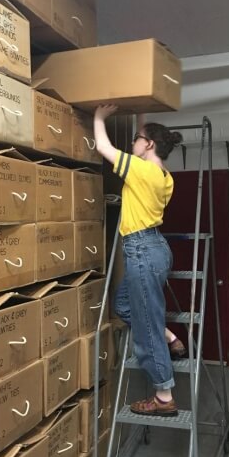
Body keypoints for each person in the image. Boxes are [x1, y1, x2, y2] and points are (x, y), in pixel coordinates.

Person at [94, 104, 187, 416]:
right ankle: (170, 336)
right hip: (155, 248)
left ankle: (164, 396)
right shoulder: (164, 176)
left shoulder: (139, 169)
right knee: (123, 307)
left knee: (146, 324)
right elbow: (142, 145)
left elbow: (103, 147)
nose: (132, 143)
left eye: (136, 138)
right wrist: (141, 115)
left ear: (147, 145)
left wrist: (99, 118)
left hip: (141, 251)